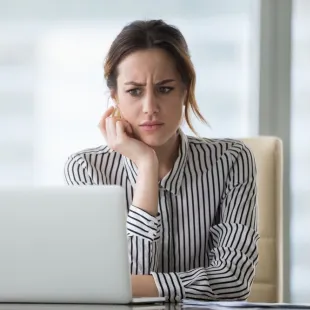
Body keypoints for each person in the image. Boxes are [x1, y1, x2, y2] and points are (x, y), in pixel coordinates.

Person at [64, 19, 259, 302]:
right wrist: (146, 167)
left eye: (165, 89)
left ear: (185, 90)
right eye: (134, 91)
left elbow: (232, 281)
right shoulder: (87, 170)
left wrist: (132, 286)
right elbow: (125, 288)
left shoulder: (231, 161)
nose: (150, 108)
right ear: (115, 97)